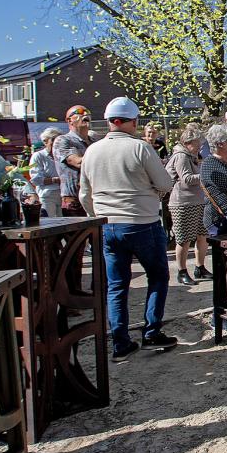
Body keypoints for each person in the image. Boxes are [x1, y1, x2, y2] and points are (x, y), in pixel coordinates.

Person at [79, 97, 177, 361]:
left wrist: (97, 215)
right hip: (141, 222)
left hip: (107, 224)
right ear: (133, 121)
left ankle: (120, 342)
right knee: (158, 276)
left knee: (116, 285)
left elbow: (84, 194)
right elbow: (165, 183)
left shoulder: (92, 151)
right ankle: (151, 332)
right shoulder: (140, 148)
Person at [165, 125, 211, 286]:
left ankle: (200, 267)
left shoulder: (192, 156)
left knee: (202, 235)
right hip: (183, 203)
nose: (199, 147)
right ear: (187, 142)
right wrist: (206, 174)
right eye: (197, 143)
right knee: (184, 239)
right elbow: (187, 178)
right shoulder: (181, 157)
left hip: (198, 200)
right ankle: (182, 271)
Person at [53, 104, 94, 216]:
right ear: (69, 120)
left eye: (87, 112)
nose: (85, 114)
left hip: (94, 197)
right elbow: (78, 162)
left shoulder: (94, 142)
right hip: (74, 200)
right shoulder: (63, 140)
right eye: (80, 112)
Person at [29, 127, 63, 217]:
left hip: (63, 194)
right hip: (47, 195)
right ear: (45, 141)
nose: (57, 143)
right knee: (49, 222)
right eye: (54, 140)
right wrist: (56, 180)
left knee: (66, 222)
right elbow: (36, 179)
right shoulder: (38, 156)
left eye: (59, 140)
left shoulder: (62, 155)